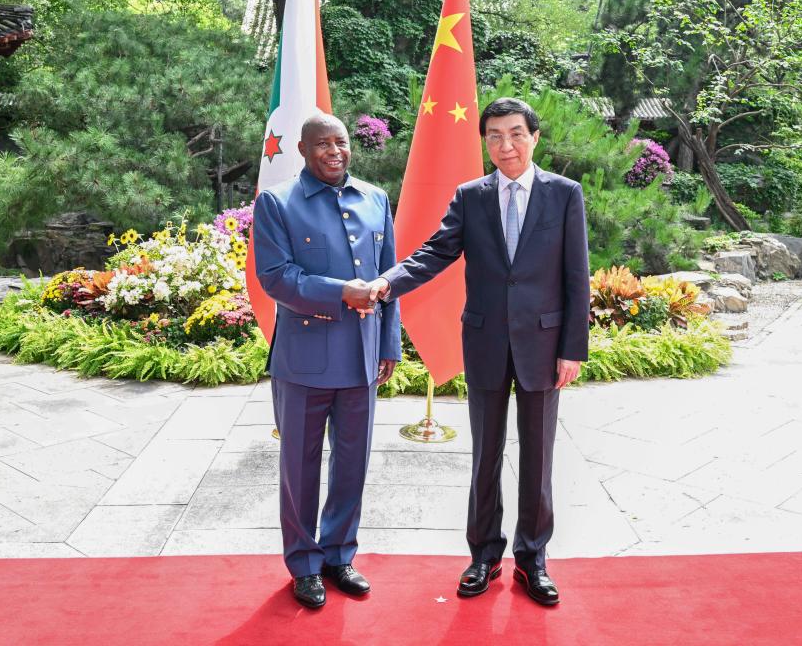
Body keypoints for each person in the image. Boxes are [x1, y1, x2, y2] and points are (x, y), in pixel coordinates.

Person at [368, 97, 590, 606]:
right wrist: (387, 282)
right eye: (494, 136)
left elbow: (576, 276)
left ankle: (532, 559)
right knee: (485, 453)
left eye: (516, 134)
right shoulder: (471, 196)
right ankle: (484, 555)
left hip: (542, 345)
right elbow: (435, 251)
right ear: (485, 141)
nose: (505, 145)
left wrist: (572, 348)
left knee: (538, 457)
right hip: (486, 341)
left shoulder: (564, 194)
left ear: (535, 137)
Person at [253, 113, 401, 609]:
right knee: (300, 466)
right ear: (302, 149)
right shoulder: (277, 203)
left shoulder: (375, 199)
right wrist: (342, 292)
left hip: (362, 357)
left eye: (341, 142)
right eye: (322, 144)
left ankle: (339, 555)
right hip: (304, 362)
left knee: (352, 464)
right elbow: (276, 277)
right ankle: (304, 564)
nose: (334, 151)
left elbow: (389, 278)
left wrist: (389, 344)